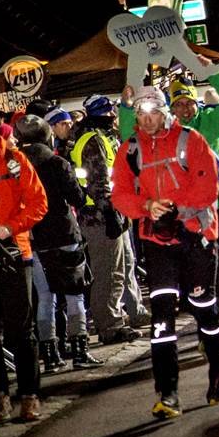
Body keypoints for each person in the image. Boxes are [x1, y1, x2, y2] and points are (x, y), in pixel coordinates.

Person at [110, 86, 219, 419]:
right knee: (161, 318)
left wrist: (176, 209)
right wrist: (146, 206)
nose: (147, 121)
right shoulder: (129, 149)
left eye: (154, 114)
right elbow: (118, 193)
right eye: (142, 115)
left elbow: (207, 185)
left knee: (204, 309)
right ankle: (168, 393)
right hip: (157, 241)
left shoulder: (190, 140)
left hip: (195, 237)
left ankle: (217, 371)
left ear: (165, 114)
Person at [15, 115, 102, 373]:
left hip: (35, 238)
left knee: (45, 297)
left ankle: (50, 355)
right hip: (64, 234)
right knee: (74, 294)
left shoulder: (16, 168)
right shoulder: (57, 163)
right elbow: (76, 196)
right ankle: (80, 350)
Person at [0, 105, 48, 424]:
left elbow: (39, 203)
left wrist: (9, 227)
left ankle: (29, 395)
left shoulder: (14, 160)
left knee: (22, 330)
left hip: (13, 254)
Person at [71, 94, 148, 345]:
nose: (113, 116)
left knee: (126, 264)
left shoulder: (104, 137)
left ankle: (134, 312)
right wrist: (109, 211)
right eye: (109, 112)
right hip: (101, 217)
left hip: (116, 210)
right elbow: (98, 182)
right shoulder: (93, 141)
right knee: (108, 271)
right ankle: (109, 325)